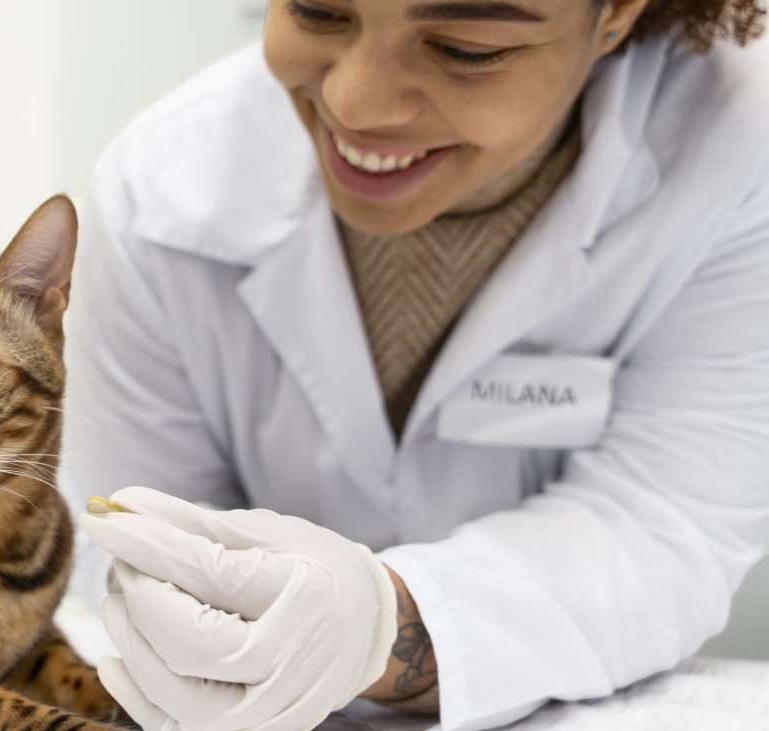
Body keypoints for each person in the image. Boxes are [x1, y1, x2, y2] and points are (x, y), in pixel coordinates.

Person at [63, 1, 769, 730]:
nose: (355, 104)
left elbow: (662, 526)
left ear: (618, 13)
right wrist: (195, 622)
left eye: (465, 48)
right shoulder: (157, 192)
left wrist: (388, 627)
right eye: (316, 9)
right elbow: (123, 527)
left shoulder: (738, 146)